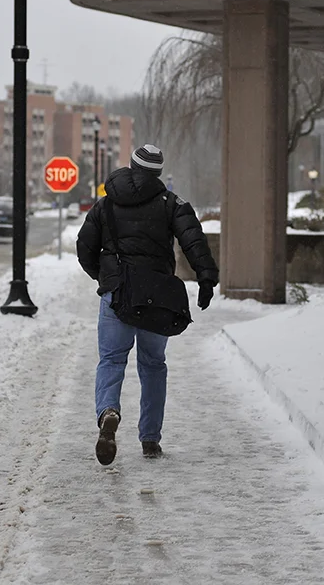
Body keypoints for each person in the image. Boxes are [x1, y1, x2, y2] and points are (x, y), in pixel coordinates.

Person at [77, 144, 218, 465]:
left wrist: (106, 277)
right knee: (153, 365)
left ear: (131, 167)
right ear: (157, 173)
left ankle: (109, 411)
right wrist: (206, 276)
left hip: (118, 293)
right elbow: (193, 239)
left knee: (111, 360)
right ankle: (150, 439)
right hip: (156, 294)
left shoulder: (106, 204)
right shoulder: (171, 204)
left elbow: (84, 247)